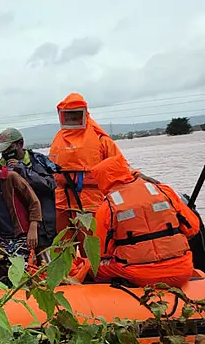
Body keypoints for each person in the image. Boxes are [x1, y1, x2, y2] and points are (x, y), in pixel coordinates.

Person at [91, 154, 201, 288]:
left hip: (140, 275)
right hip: (183, 270)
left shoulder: (107, 206)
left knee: (93, 268)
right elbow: (193, 228)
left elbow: (101, 251)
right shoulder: (163, 190)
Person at [49, 93, 123, 233]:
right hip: (61, 203)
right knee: (62, 247)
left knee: (91, 245)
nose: (72, 120)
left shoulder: (100, 139)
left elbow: (121, 167)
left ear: (84, 115)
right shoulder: (57, 140)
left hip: (91, 202)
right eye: (69, 116)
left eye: (76, 116)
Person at [0, 127, 57, 248]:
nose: (6, 153)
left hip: (43, 223)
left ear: (20, 144)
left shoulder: (38, 161)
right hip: (17, 227)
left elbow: (50, 185)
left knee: (45, 257)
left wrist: (23, 170)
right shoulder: (1, 166)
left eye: (9, 148)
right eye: (4, 150)